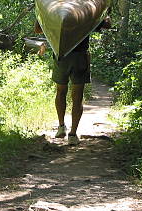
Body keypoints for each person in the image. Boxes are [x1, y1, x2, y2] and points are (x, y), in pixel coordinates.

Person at [35, 16, 111, 145]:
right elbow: (107, 25)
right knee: (77, 95)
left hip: (62, 56)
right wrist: (106, 14)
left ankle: (63, 128)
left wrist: (40, 14)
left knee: (61, 92)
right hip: (78, 57)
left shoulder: (57, 10)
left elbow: (37, 29)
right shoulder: (84, 12)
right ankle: (71, 133)